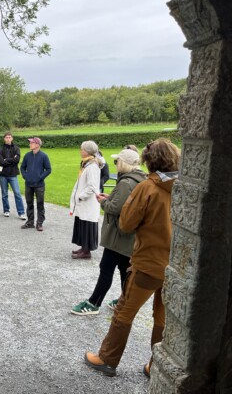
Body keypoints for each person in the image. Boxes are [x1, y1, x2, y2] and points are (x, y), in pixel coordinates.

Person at [84, 138, 181, 378]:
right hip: (174, 264)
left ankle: (107, 359)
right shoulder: (184, 186)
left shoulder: (148, 187)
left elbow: (127, 223)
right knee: (162, 317)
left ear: (150, 162)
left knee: (124, 311)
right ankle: (156, 366)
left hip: (148, 262)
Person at [71, 148, 146, 315]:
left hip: (118, 236)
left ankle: (93, 303)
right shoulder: (139, 180)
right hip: (128, 236)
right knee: (123, 269)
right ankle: (124, 301)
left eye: (117, 161)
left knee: (106, 268)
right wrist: (110, 197)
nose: (116, 164)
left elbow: (115, 208)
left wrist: (103, 202)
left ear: (124, 164)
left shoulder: (126, 183)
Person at [69, 140, 104, 259]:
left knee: (87, 224)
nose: (80, 151)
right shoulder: (86, 164)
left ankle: (87, 251)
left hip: (87, 202)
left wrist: (80, 196)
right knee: (82, 223)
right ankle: (83, 248)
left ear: (87, 151)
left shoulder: (92, 167)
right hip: (83, 203)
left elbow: (92, 186)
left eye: (82, 149)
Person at [20, 137, 52, 231]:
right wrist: (25, 176)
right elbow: (22, 167)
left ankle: (39, 223)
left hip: (39, 185)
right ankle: (30, 222)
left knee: (40, 204)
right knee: (29, 203)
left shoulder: (44, 156)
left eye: (31, 143)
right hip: (28, 184)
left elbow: (48, 169)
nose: (30, 144)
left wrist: (40, 177)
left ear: (37, 144)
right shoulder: (27, 155)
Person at [0, 132, 26, 220]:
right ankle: (6, 210)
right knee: (4, 193)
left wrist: (7, 160)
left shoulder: (16, 149)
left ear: (12, 138)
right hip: (3, 175)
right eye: (6, 137)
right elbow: (1, 162)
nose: (8, 139)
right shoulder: (0, 149)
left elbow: (17, 160)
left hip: (13, 174)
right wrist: (11, 160)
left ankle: (21, 212)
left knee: (17, 193)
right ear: (4, 139)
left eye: (9, 137)